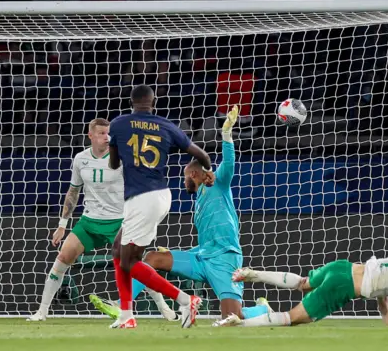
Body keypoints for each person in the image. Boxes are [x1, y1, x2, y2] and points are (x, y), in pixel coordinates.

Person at [91, 106, 272, 321]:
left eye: (186, 177)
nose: (184, 181)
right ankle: (123, 306)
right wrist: (187, 251)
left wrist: (226, 135)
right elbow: (209, 240)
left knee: (233, 316)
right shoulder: (200, 199)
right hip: (202, 257)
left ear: (194, 174)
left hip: (225, 260)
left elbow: (229, 164)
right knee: (152, 258)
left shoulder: (218, 182)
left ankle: (263, 308)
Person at [107, 84, 215, 328]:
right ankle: (126, 314)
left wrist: (120, 148)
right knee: (118, 250)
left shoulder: (119, 124)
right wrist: (207, 171)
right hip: (161, 195)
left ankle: (186, 300)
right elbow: (203, 155)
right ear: (152, 102)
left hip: (142, 198)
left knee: (129, 262)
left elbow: (114, 165)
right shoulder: (166, 126)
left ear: (131, 101)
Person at [28, 119, 127, 321]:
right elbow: (73, 192)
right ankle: (42, 311)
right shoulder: (81, 158)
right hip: (89, 221)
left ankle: (163, 307)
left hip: (118, 221)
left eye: (108, 133)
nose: (106, 137)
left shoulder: (121, 157)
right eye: (101, 133)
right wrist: (62, 225)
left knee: (133, 265)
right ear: (90, 135)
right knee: (63, 258)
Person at [214, 245, 388, 328]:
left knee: (303, 283)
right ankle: (241, 322)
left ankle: (254, 274)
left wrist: (387, 322)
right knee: (294, 318)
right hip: (343, 285)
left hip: (341, 266)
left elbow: (383, 290)